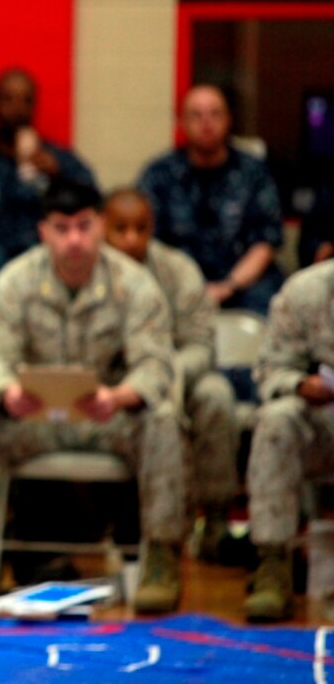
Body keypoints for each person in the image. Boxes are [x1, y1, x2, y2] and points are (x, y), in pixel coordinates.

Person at [0, 180, 187, 614]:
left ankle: (160, 557)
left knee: (164, 419)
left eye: (84, 226)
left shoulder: (134, 285)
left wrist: (119, 396)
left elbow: (156, 365)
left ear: (99, 227)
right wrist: (6, 392)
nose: (74, 240)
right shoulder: (16, 281)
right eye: (62, 228)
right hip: (35, 420)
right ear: (43, 231)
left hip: (106, 419)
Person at [103, 188, 239, 560]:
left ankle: (214, 520)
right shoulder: (89, 269)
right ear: (101, 227)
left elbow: (201, 344)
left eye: (141, 228)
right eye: (120, 228)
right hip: (109, 384)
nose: (131, 238)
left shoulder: (178, 270)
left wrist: (165, 373)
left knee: (216, 394)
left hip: (176, 374)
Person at [137, 84, 284, 314]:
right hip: (176, 285)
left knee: (272, 302)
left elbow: (265, 243)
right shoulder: (159, 175)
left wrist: (229, 286)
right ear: (181, 122)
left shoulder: (254, 173)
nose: (206, 123)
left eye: (215, 114)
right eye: (196, 115)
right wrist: (188, 289)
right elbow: (147, 242)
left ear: (229, 120)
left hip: (243, 283)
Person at [244, 260, 334, 621]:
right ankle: (273, 565)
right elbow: (270, 370)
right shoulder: (305, 291)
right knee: (276, 420)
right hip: (324, 423)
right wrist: (300, 384)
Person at [0, 68, 97, 260]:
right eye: (8, 99)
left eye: (26, 101)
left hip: (50, 266)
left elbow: (95, 204)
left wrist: (58, 176)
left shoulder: (58, 160)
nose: (18, 108)